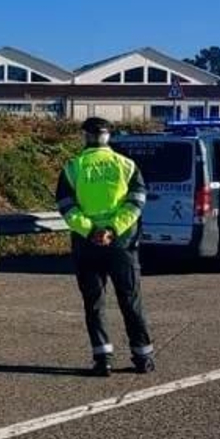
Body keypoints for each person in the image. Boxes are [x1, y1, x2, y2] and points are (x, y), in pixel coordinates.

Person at [56, 117, 155, 376]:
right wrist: (112, 229)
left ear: (86, 136)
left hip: (87, 243)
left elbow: (67, 206)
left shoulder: (73, 167)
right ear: (108, 136)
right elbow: (136, 202)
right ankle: (142, 356)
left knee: (94, 302)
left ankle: (103, 359)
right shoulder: (126, 165)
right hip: (122, 242)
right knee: (130, 300)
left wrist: (91, 230)